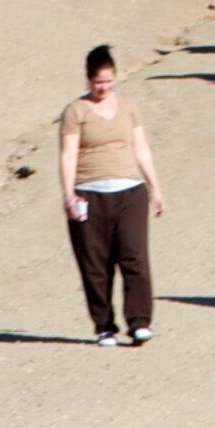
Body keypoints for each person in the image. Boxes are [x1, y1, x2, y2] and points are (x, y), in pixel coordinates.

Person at [56, 43, 165, 346]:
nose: (103, 87)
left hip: (129, 191)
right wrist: (69, 195)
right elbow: (68, 156)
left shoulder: (129, 107)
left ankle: (139, 322)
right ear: (88, 79)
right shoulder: (75, 112)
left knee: (134, 258)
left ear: (115, 76)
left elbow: (141, 148)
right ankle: (104, 326)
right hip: (89, 193)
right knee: (95, 264)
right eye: (97, 82)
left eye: (107, 80)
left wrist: (155, 187)